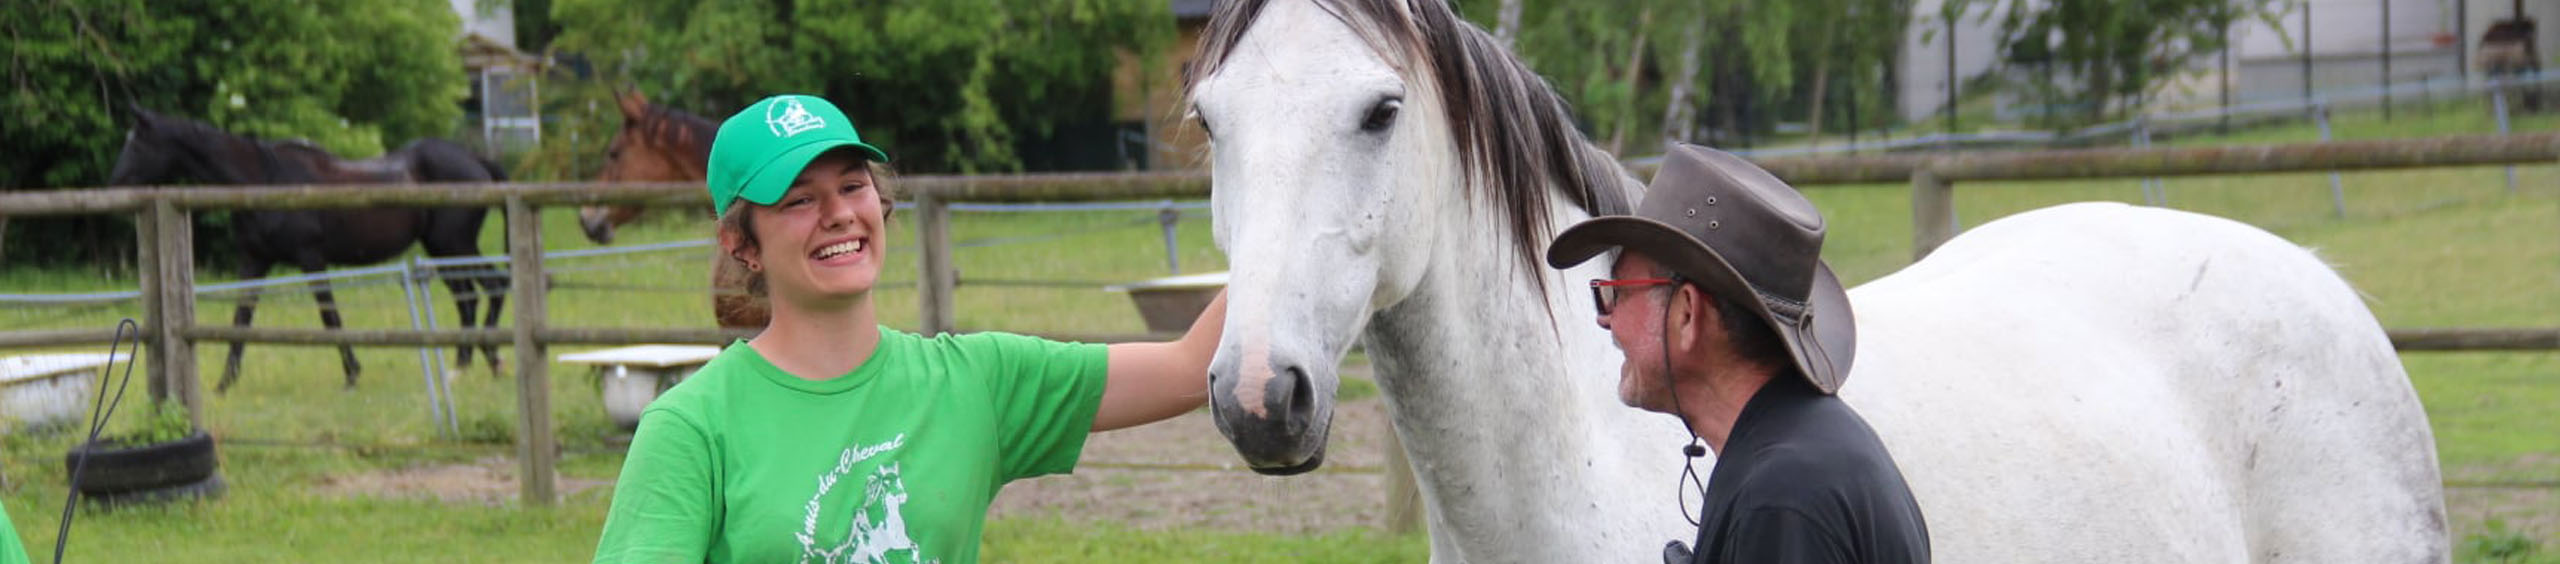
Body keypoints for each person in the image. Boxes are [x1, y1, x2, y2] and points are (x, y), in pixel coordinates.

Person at [591, 94, 1224, 564]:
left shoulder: (975, 382)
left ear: (881, 203)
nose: (839, 214)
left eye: (851, 185)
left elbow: (1190, 367)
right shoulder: (689, 426)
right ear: (741, 243)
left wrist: (1298, 231)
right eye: (799, 199)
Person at [1545, 144, 1929, 563]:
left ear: (1687, 314)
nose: (1607, 321)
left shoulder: (1780, 501)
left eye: (1616, 294)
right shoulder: (1808, 455)